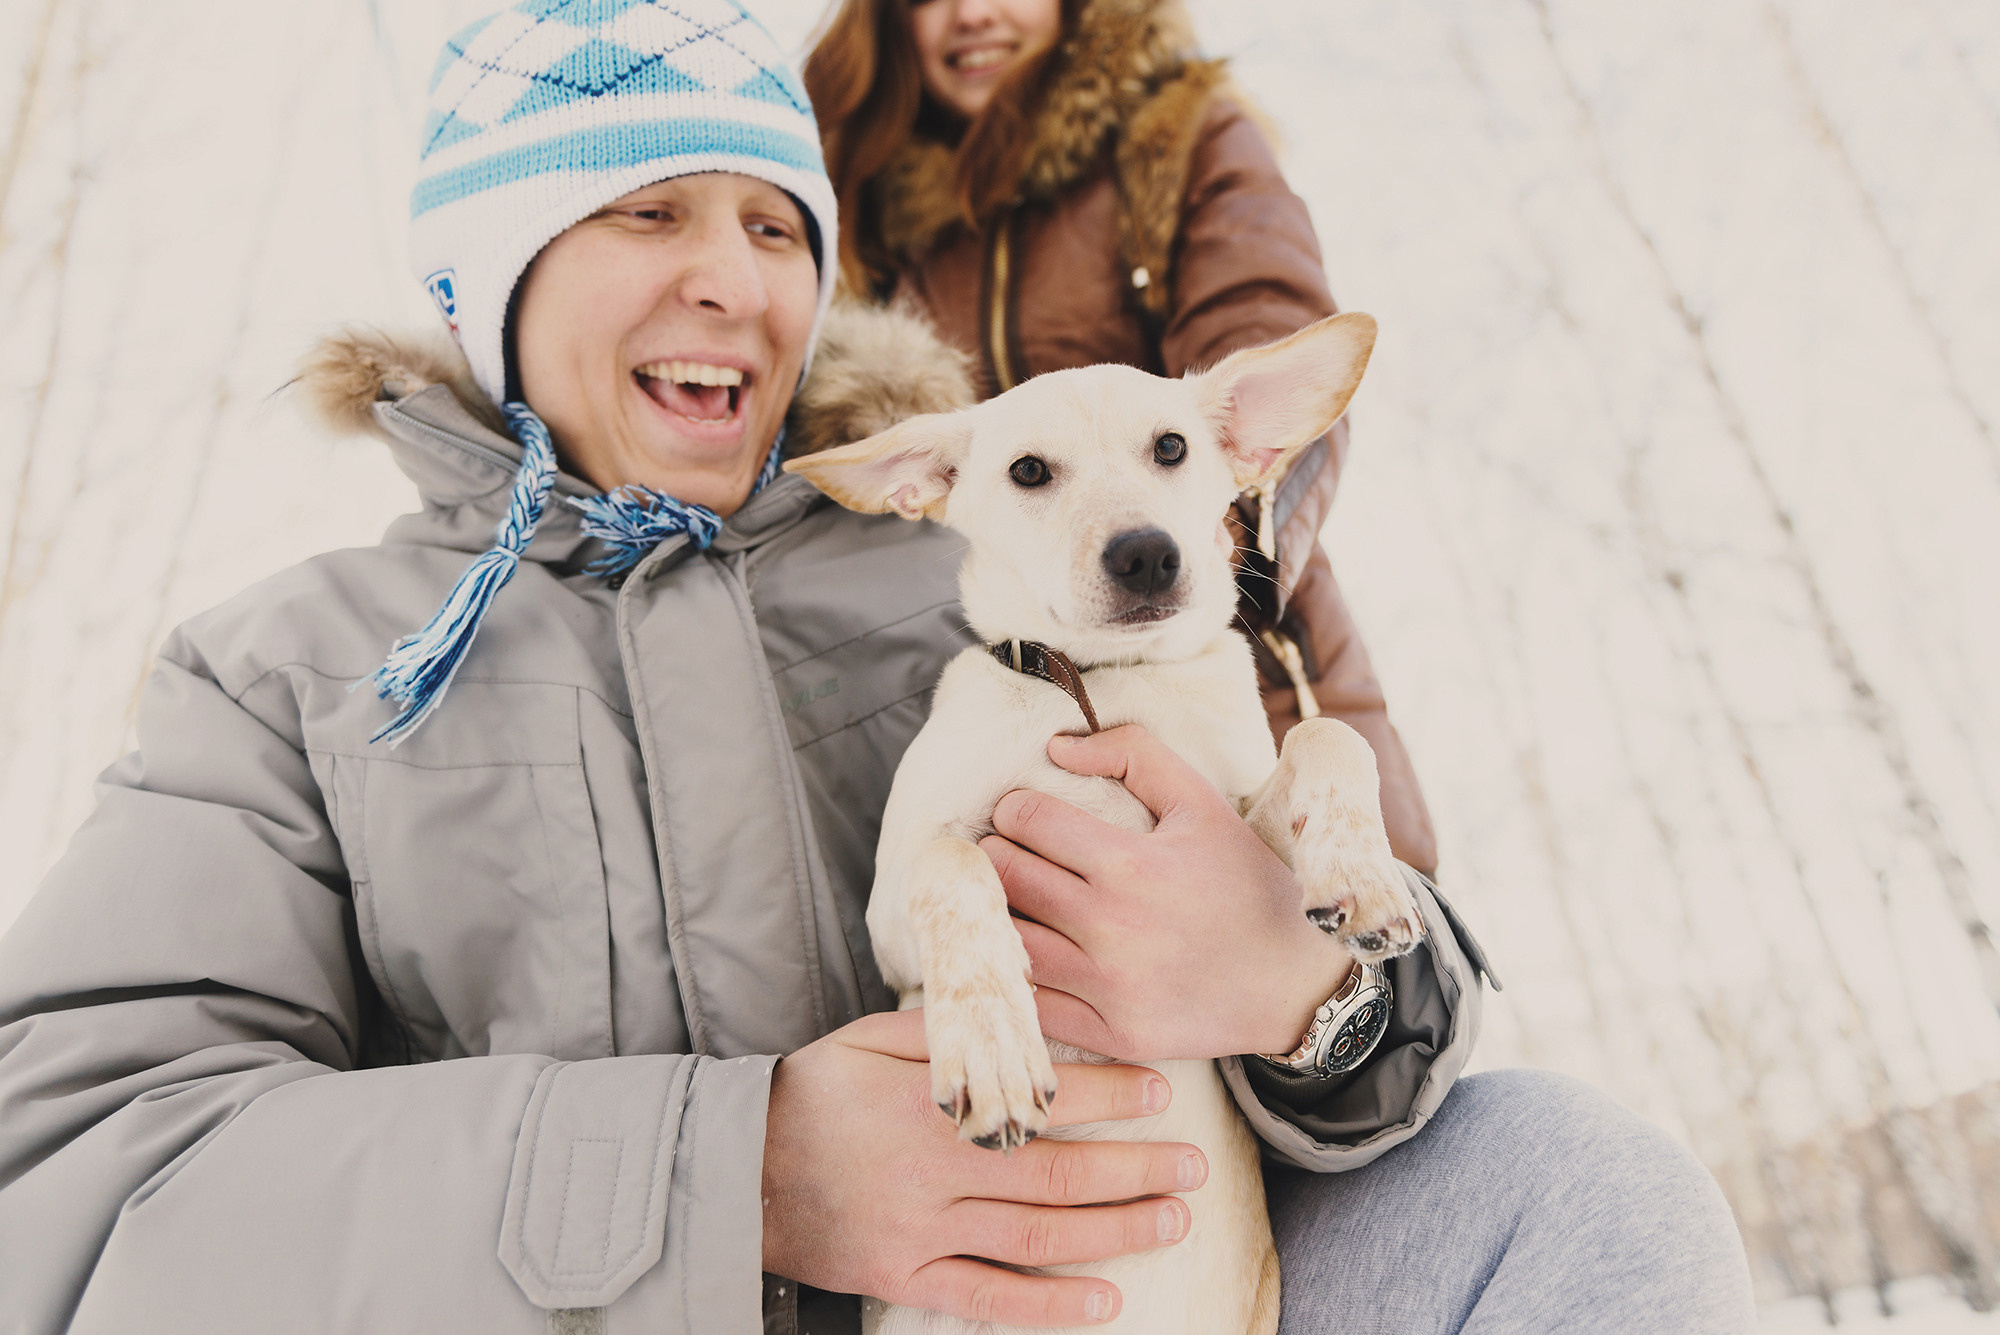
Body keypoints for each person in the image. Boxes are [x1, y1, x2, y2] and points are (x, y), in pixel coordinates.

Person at [0, 2, 1753, 1333]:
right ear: (496, 275)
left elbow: (1390, 1002)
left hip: (1135, 1281)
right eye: (644, 215)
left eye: (775, 229)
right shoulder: (291, 670)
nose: (730, 282)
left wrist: (1307, 992)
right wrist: (730, 1177)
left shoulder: (994, 575)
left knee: (1569, 1185)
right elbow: (70, 1186)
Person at [804, 0, 1440, 875]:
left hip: (1242, 672)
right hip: (1003, 701)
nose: (973, 13)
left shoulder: (1176, 135)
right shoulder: (853, 221)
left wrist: (1192, 526)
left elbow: (1262, 317)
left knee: (1327, 983)